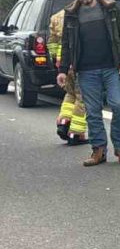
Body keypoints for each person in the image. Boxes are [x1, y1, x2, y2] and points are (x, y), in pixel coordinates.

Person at [57, 0, 120, 167]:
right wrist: (62, 70)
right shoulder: (71, 14)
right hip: (86, 71)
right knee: (92, 112)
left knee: (118, 105)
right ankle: (98, 150)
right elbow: (66, 43)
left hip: (112, 68)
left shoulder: (111, 8)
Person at [48, 8, 87, 146]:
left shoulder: (56, 17)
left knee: (70, 93)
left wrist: (56, 59)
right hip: (75, 60)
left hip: (62, 61)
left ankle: (64, 121)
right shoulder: (81, 15)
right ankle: (76, 133)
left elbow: (52, 42)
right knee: (82, 97)